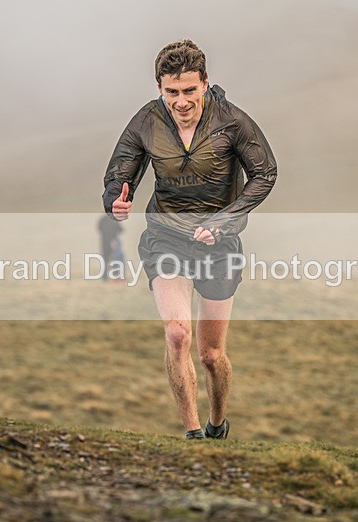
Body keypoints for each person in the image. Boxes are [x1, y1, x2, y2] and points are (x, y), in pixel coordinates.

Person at [102, 39, 277, 440]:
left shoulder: (233, 122)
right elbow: (119, 173)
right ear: (159, 88)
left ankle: (217, 422)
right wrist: (116, 198)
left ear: (205, 84)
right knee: (178, 333)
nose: (180, 102)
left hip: (219, 245)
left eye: (189, 91)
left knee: (212, 355)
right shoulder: (147, 121)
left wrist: (224, 220)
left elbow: (265, 174)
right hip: (166, 238)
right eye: (171, 92)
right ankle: (193, 435)